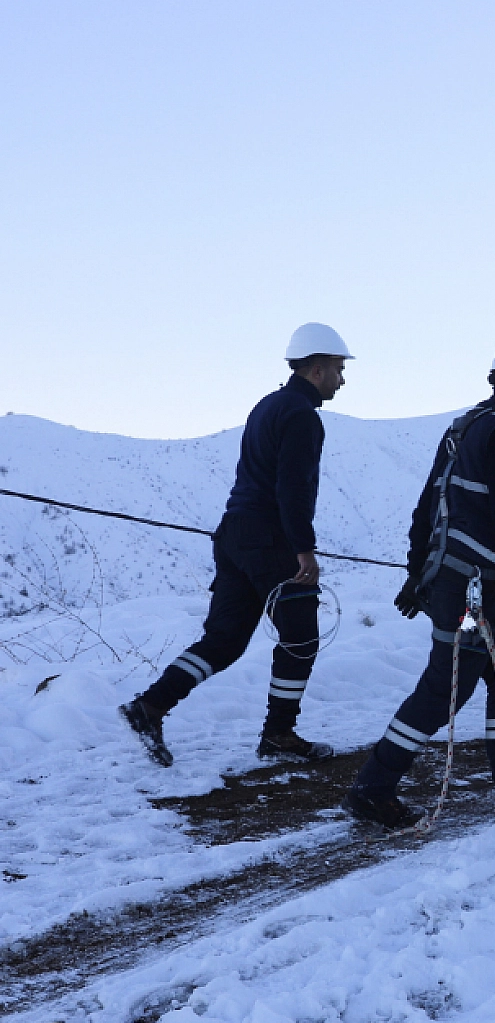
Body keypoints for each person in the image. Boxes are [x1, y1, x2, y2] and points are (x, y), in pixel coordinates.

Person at [341, 335, 495, 828]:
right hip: (476, 591)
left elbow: (427, 507)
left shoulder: (464, 428)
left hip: (461, 583)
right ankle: (373, 788)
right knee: (446, 688)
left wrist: (418, 572)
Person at [119, 323, 352, 767]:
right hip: (271, 539)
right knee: (300, 637)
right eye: (339, 370)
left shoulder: (268, 405)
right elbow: (293, 488)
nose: (343, 380)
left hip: (234, 536)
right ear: (317, 369)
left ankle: (149, 708)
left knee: (224, 640)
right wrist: (304, 550)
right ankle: (279, 735)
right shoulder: (303, 415)